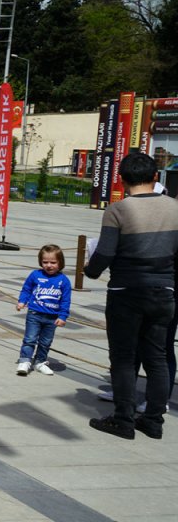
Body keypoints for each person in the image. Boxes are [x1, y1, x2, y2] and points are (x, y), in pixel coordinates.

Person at [85, 152, 178, 440]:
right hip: (164, 292)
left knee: (124, 358)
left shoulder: (118, 210)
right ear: (155, 177)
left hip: (126, 291)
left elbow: (106, 253)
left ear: (122, 180)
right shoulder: (175, 208)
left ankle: (123, 419)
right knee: (158, 357)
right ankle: (153, 420)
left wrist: (89, 270)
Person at [15, 244, 73, 377]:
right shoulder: (35, 275)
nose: (49, 265)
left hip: (52, 317)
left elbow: (66, 300)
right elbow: (27, 289)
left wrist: (63, 316)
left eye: (53, 262)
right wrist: (22, 301)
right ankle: (25, 360)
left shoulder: (64, 281)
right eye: (45, 262)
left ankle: (40, 361)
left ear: (60, 263)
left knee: (46, 342)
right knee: (30, 338)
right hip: (34, 314)